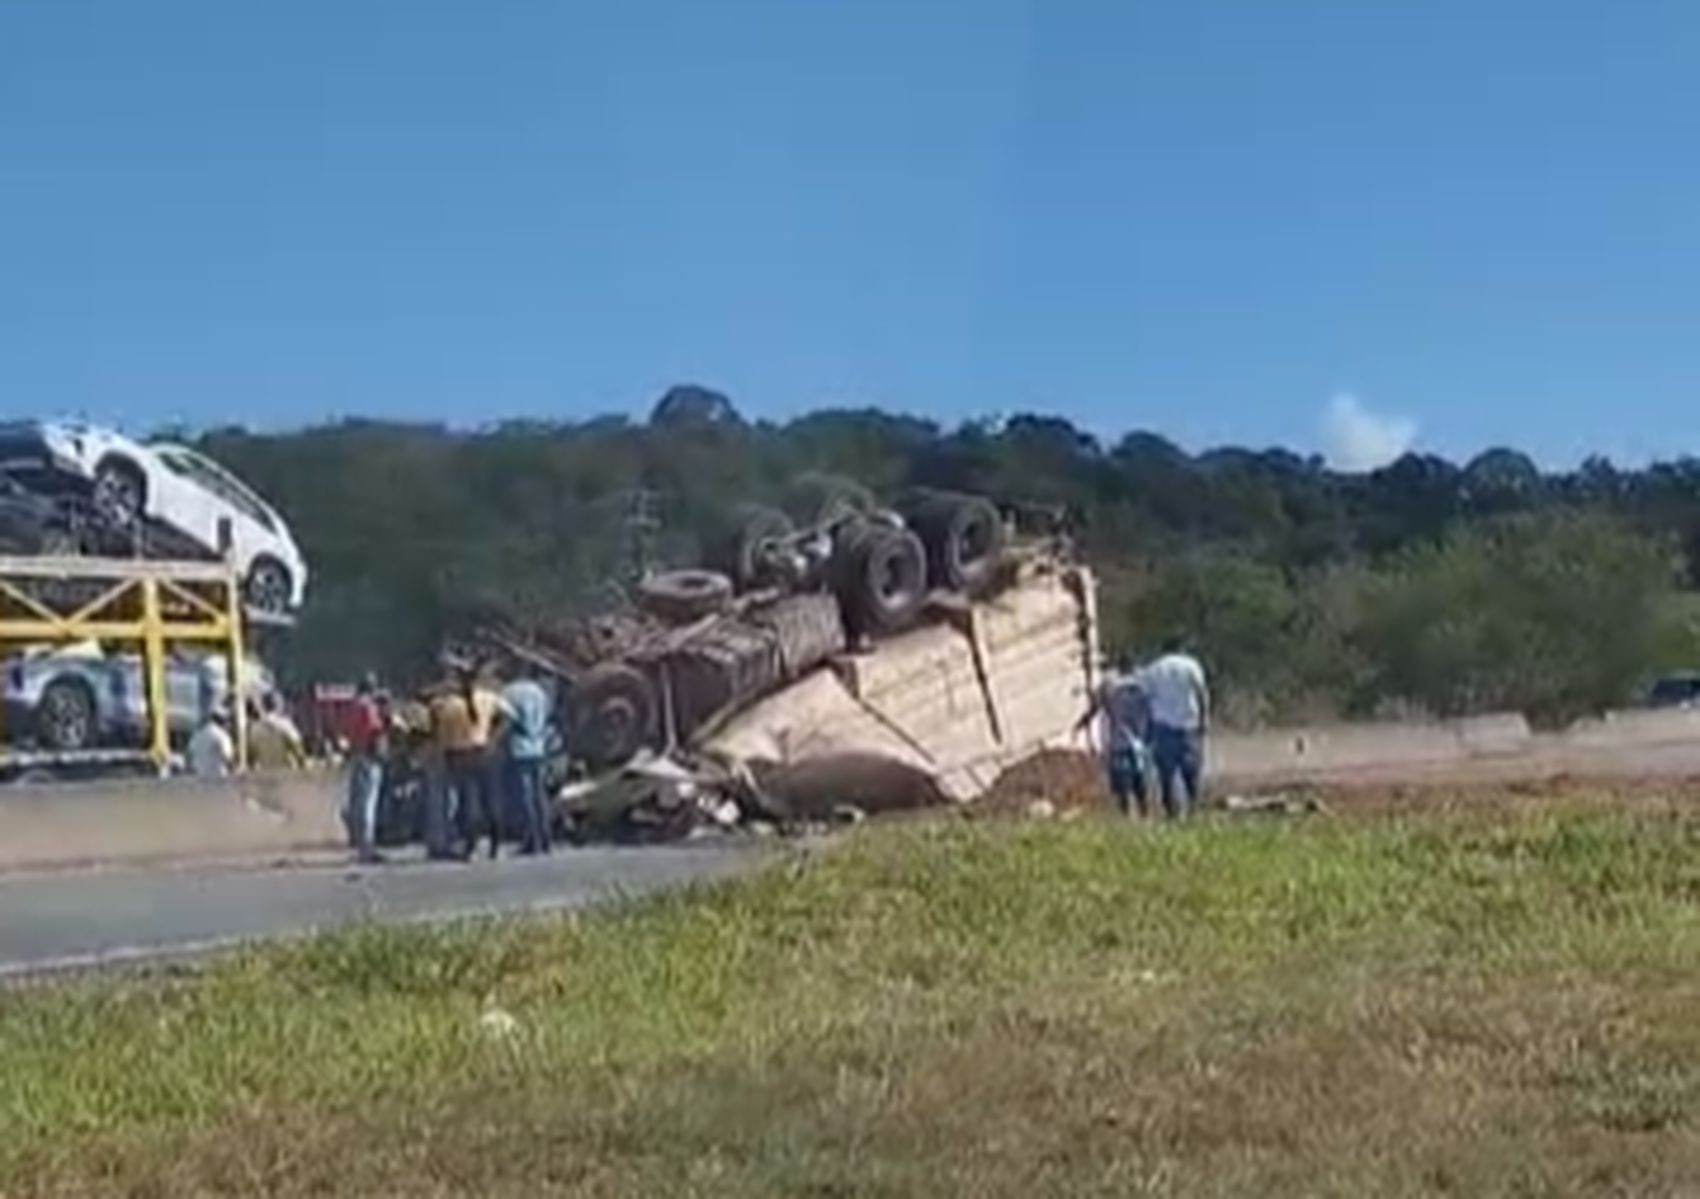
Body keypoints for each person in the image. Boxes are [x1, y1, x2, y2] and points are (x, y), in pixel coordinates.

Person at [428, 661, 508, 860]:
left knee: (469, 802)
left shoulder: (445, 705)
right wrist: (493, 738)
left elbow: (438, 733)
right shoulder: (488, 698)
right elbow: (508, 717)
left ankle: (471, 846)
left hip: (459, 755)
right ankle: (496, 846)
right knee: (491, 799)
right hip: (484, 752)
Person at [1137, 637, 1210, 818]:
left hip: (1163, 726)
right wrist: (1204, 719)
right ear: (1181, 648)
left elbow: (1145, 700)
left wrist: (1146, 728)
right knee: (1191, 770)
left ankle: (1171, 812)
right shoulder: (1191, 665)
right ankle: (1193, 808)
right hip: (1188, 724)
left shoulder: (1153, 669)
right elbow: (1202, 694)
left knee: (1166, 774)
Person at [1075, 654, 1151, 817]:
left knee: (1122, 784)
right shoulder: (1143, 681)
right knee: (1140, 781)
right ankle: (1144, 814)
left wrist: (1082, 723)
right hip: (1139, 741)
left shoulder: (1109, 684)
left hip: (1118, 741)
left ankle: (1127, 815)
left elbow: (1095, 707)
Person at [501, 663, 555, 856]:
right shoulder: (540, 692)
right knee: (540, 795)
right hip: (539, 746)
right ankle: (546, 837)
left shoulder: (509, 692)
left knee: (525, 797)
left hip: (519, 748)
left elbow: (507, 720)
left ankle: (532, 839)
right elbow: (548, 715)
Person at [343, 673, 389, 864]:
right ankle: (367, 847)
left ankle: (358, 841)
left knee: (357, 801)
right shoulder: (368, 707)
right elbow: (375, 731)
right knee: (368, 803)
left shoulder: (352, 707)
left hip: (356, 754)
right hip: (369, 757)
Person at [248, 692, 306, 771]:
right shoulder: (285, 725)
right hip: (285, 773)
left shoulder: (254, 729)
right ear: (277, 705)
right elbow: (299, 752)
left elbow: (250, 759)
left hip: (264, 775)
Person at [187, 707, 235, 779]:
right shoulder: (222, 736)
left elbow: (189, 755)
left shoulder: (198, 734)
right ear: (223, 721)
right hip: (218, 778)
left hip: (199, 778)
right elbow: (228, 758)